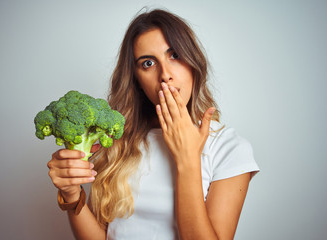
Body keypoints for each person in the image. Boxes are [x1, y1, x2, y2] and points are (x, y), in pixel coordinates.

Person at [47, 9, 259, 240]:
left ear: (193, 64)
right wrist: (71, 194)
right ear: (136, 80)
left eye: (175, 55)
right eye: (148, 63)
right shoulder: (118, 142)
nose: (165, 75)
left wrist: (187, 158)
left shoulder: (229, 147)